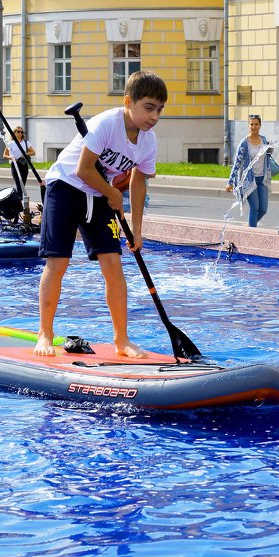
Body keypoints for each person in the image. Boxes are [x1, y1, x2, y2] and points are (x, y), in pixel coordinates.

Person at [34, 69, 167, 358]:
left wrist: (137, 230)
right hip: (65, 186)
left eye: (159, 109)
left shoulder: (149, 141)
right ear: (128, 102)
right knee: (58, 262)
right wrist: (113, 193)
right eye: (148, 108)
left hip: (100, 193)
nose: (154, 116)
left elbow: (139, 182)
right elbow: (83, 170)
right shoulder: (106, 124)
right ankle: (45, 334)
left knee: (113, 264)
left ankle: (122, 340)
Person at [225, 114, 274, 228]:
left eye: (256, 124)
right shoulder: (244, 143)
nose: (254, 127)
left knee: (263, 209)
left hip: (262, 179)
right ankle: (252, 232)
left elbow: (267, 156)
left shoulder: (264, 140)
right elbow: (237, 164)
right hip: (249, 180)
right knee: (254, 208)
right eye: (251, 124)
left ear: (260, 125)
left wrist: (271, 149)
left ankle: (250, 226)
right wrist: (230, 182)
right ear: (248, 125)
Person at [3, 127, 35, 194]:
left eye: (21, 132)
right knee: (18, 183)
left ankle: (20, 198)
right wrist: (11, 158)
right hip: (15, 164)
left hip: (24, 164)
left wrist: (25, 154)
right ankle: (20, 198)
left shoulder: (26, 143)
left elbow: (33, 152)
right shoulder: (10, 143)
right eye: (18, 131)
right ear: (14, 133)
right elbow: (4, 155)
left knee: (23, 184)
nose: (20, 133)